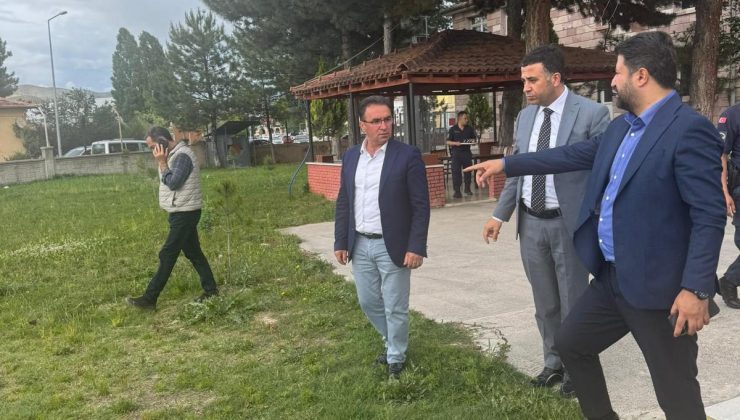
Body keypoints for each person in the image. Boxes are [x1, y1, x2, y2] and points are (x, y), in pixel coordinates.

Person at [466, 32, 725, 420]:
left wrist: (696, 289)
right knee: (571, 344)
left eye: (618, 72)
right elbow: (570, 155)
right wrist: (507, 164)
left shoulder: (688, 129)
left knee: (677, 398)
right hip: (612, 280)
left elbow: (709, 214)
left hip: (660, 289)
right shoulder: (622, 128)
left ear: (641, 76)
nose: (612, 81)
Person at [484, 44, 610, 397]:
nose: (525, 87)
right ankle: (552, 362)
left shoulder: (592, 114)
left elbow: (601, 171)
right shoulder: (525, 117)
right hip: (531, 223)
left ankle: (576, 368)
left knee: (573, 302)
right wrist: (499, 214)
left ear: (555, 78)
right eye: (523, 80)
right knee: (545, 303)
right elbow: (518, 169)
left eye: (532, 80)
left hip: (569, 225)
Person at [334, 95, 430, 379]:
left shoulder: (407, 155)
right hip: (360, 243)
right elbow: (344, 201)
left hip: (395, 245)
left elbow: (420, 206)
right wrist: (340, 241)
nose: (384, 126)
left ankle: (396, 357)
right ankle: (392, 341)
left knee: (395, 305)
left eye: (388, 119)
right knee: (368, 301)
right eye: (376, 121)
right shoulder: (351, 156)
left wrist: (416, 246)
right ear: (362, 125)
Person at [126, 126, 219, 310]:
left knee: (167, 253)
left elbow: (174, 183)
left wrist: (162, 163)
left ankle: (149, 299)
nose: (153, 151)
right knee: (193, 253)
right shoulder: (174, 155)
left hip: (185, 213)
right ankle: (211, 290)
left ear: (162, 141)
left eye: (153, 146)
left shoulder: (182, 156)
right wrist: (164, 161)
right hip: (180, 211)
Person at [718, 102, 740, 309]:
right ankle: (730, 281)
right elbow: (721, 156)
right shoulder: (732, 115)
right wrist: (724, 192)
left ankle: (730, 280)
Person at [447, 110, 477, 198]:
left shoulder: (469, 129)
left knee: (468, 171)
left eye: (467, 118)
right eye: (465, 118)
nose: (467, 120)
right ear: (460, 119)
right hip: (456, 154)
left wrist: (472, 142)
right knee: (456, 172)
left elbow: (474, 140)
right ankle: (457, 191)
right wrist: (455, 143)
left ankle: (467, 189)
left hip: (466, 153)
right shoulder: (453, 129)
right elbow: (448, 142)